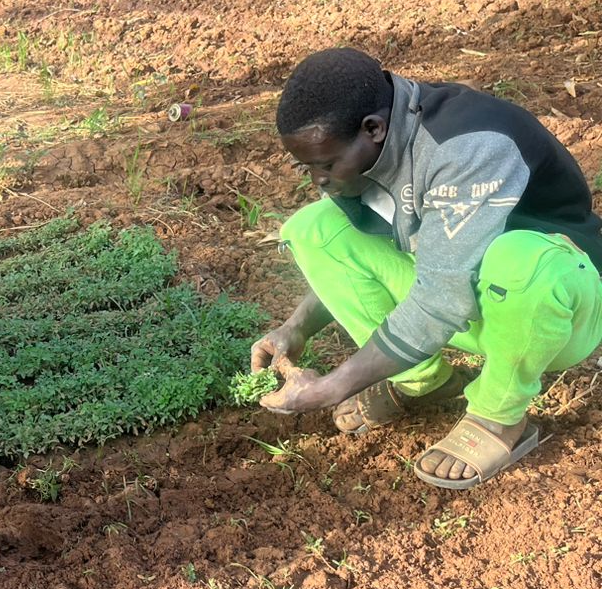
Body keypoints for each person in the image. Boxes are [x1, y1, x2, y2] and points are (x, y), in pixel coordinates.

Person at [253, 47, 602, 489]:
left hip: (553, 312)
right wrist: (297, 327)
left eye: (325, 164)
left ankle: (499, 415)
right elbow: (408, 269)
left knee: (520, 263)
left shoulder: (468, 145)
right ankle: (422, 381)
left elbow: (441, 299)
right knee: (314, 228)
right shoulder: (363, 153)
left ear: (373, 128)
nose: (318, 179)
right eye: (308, 167)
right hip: (459, 299)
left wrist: (335, 384)